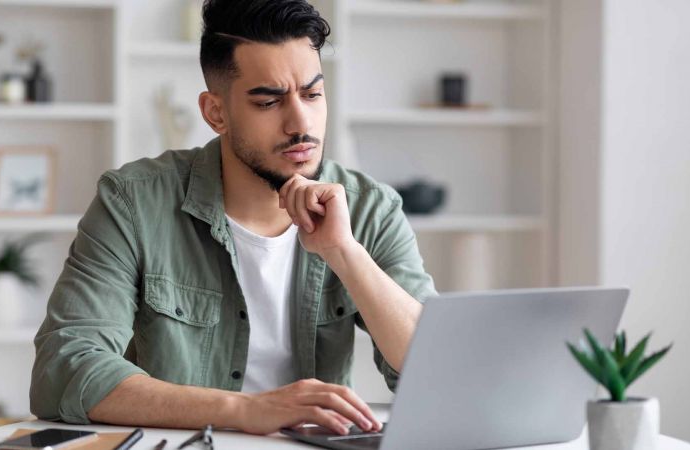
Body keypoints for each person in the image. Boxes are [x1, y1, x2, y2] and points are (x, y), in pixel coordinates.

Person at [30, 0, 437, 436]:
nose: (301, 123)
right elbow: (66, 368)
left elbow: (437, 374)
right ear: (215, 113)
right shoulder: (133, 202)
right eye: (269, 102)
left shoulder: (370, 207)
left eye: (313, 94)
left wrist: (343, 251)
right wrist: (244, 411)